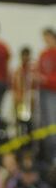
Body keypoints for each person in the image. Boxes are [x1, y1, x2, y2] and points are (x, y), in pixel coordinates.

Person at [38, 28, 56, 162]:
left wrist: (47, 80)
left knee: (51, 122)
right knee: (44, 122)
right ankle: (49, 155)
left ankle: (53, 155)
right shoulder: (43, 53)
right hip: (43, 91)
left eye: (47, 37)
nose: (45, 40)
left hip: (52, 91)